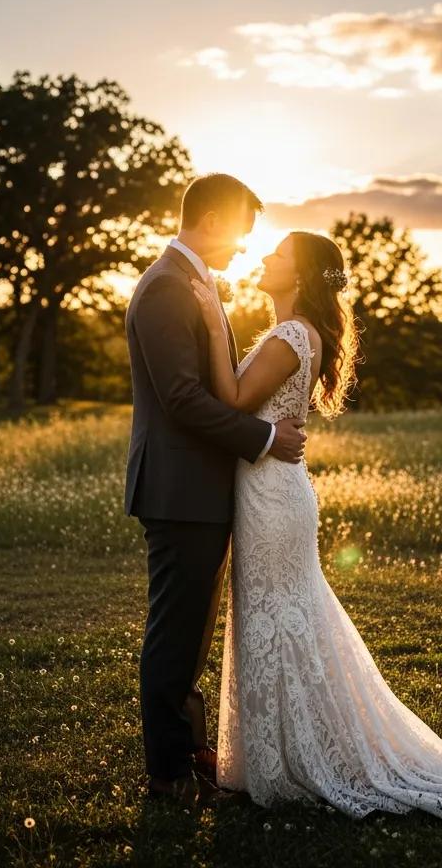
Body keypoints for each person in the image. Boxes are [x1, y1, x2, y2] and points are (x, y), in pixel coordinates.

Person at [189, 229, 442, 819]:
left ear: (298, 276)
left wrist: (208, 316)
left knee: (283, 619)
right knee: (276, 617)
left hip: (273, 500)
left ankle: (306, 758)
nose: (265, 258)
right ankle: (280, 754)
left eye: (278, 254)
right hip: (269, 494)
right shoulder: (294, 333)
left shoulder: (291, 335)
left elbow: (229, 399)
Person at [123, 173, 307, 806]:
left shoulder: (193, 285)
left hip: (198, 490)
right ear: (209, 218)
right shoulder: (167, 289)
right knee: (174, 633)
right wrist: (261, 438)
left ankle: (187, 748)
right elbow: (180, 398)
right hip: (178, 491)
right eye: (239, 234)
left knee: (192, 630)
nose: (243, 250)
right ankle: (167, 775)